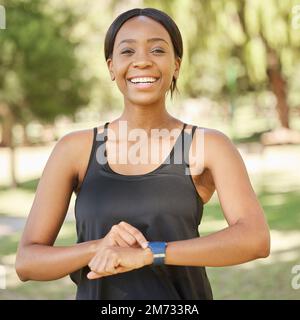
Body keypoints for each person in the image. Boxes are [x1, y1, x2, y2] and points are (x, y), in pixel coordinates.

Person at [15, 8, 270, 300]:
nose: (142, 61)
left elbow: (255, 239)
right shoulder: (74, 149)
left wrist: (152, 253)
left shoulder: (208, 146)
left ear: (176, 65)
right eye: (127, 51)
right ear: (112, 67)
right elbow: (27, 262)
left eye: (157, 49)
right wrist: (97, 248)